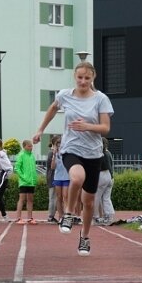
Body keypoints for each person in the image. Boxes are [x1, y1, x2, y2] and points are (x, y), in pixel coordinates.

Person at [33, 61, 113, 256]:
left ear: (93, 78)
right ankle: (68, 214)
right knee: (77, 177)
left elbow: (106, 128)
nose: (83, 81)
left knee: (88, 202)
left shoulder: (100, 99)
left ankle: (84, 237)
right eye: (80, 77)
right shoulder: (64, 95)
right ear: (74, 77)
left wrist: (87, 127)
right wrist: (40, 130)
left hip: (93, 153)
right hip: (71, 149)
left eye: (87, 78)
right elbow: (53, 109)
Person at [13, 140, 38, 224]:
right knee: (21, 199)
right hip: (24, 182)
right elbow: (17, 168)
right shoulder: (21, 155)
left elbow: (33, 169)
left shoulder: (32, 156)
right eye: (29, 146)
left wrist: (34, 179)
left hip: (31, 182)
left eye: (31, 146)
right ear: (24, 146)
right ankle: (18, 218)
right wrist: (23, 177)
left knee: (30, 200)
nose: (31, 148)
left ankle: (30, 218)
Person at [93, 138, 115, 225]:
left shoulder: (100, 154)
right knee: (106, 198)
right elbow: (111, 166)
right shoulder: (108, 152)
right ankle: (108, 216)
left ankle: (96, 217)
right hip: (109, 176)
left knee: (96, 197)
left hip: (102, 175)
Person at [51, 136, 70, 223]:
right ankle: (60, 216)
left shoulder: (66, 153)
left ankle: (66, 216)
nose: (59, 146)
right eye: (58, 145)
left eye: (60, 144)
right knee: (59, 197)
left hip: (66, 177)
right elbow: (52, 167)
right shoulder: (54, 154)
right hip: (58, 178)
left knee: (65, 197)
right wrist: (54, 155)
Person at [45, 136, 58, 223]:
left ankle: (53, 215)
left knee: (57, 198)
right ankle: (51, 216)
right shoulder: (51, 153)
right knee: (53, 197)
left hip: (58, 177)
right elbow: (52, 167)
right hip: (52, 177)